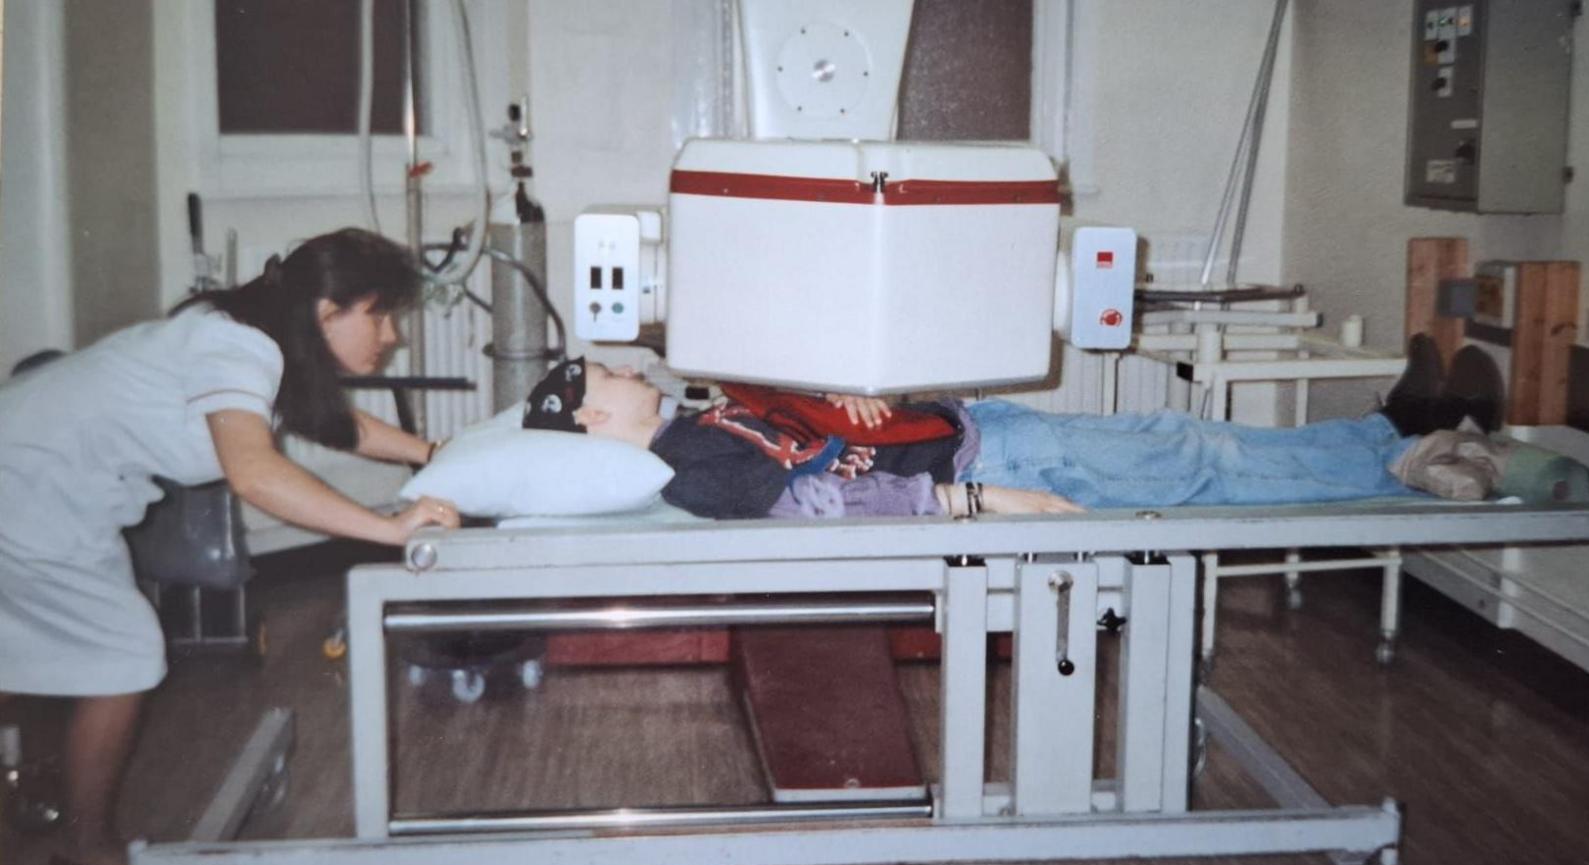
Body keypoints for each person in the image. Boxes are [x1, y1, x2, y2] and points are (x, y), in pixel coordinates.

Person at [0, 227, 460, 865]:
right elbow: (254, 473)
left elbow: (339, 426)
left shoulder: (256, 339)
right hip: (29, 488)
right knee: (121, 656)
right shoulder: (236, 345)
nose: (391, 335)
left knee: (51, 655)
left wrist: (432, 452)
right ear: (328, 310)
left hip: (41, 485)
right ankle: (84, 851)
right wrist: (388, 530)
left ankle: (81, 839)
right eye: (380, 313)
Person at [519, 338, 1504, 521]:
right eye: (607, 373)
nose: (626, 367)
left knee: (1180, 435)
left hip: (972, 427)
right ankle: (1405, 460)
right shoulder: (688, 467)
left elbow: (811, 429)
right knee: (1197, 466)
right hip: (993, 461)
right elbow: (827, 502)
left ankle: (1389, 428)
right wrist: (990, 501)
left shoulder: (695, 416)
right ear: (592, 417)